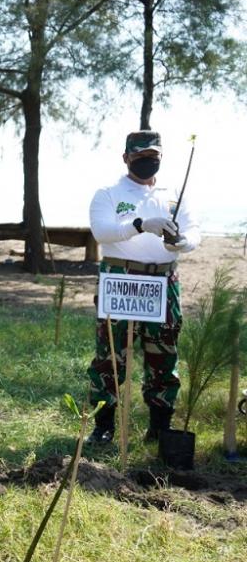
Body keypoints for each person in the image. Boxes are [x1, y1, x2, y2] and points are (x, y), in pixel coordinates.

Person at [85, 130, 200, 445]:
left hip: (163, 281)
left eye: (153, 157)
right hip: (120, 280)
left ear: (161, 158)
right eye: (140, 157)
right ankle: (104, 425)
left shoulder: (174, 194)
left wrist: (181, 242)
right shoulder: (108, 193)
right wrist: (139, 224)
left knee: (163, 353)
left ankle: (160, 426)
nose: (147, 162)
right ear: (126, 158)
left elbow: (194, 233)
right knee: (110, 353)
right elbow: (102, 232)